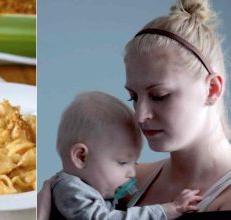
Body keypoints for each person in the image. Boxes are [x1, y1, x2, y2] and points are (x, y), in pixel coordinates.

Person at [38, 0, 231, 218]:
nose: (140, 116)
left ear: (212, 88)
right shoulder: (126, 181)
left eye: (159, 96)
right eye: (133, 98)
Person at [39, 91, 202, 220]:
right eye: (123, 162)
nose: (132, 172)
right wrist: (168, 210)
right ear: (81, 157)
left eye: (134, 163)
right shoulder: (70, 190)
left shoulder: (92, 188)